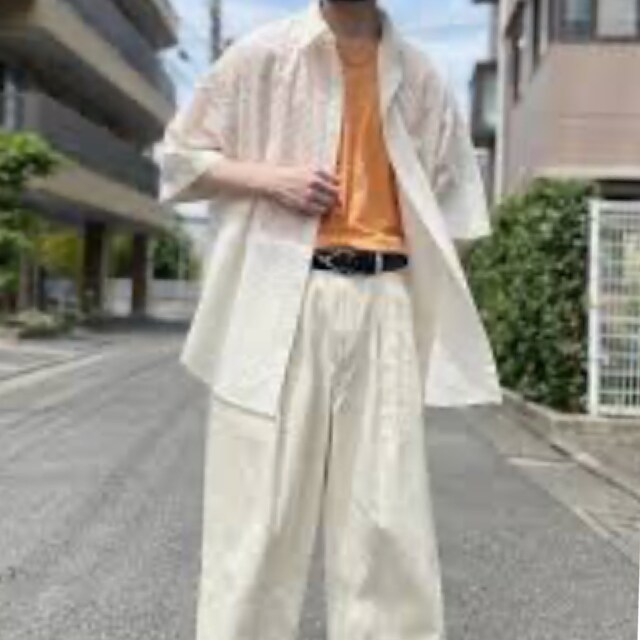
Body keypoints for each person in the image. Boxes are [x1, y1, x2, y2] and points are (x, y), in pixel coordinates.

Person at [155, 1, 503, 639]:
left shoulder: (421, 76)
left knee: (388, 520)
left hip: (386, 297)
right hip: (279, 291)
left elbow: (455, 201)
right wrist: (269, 179)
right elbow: (180, 158)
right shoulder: (262, 56)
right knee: (259, 513)